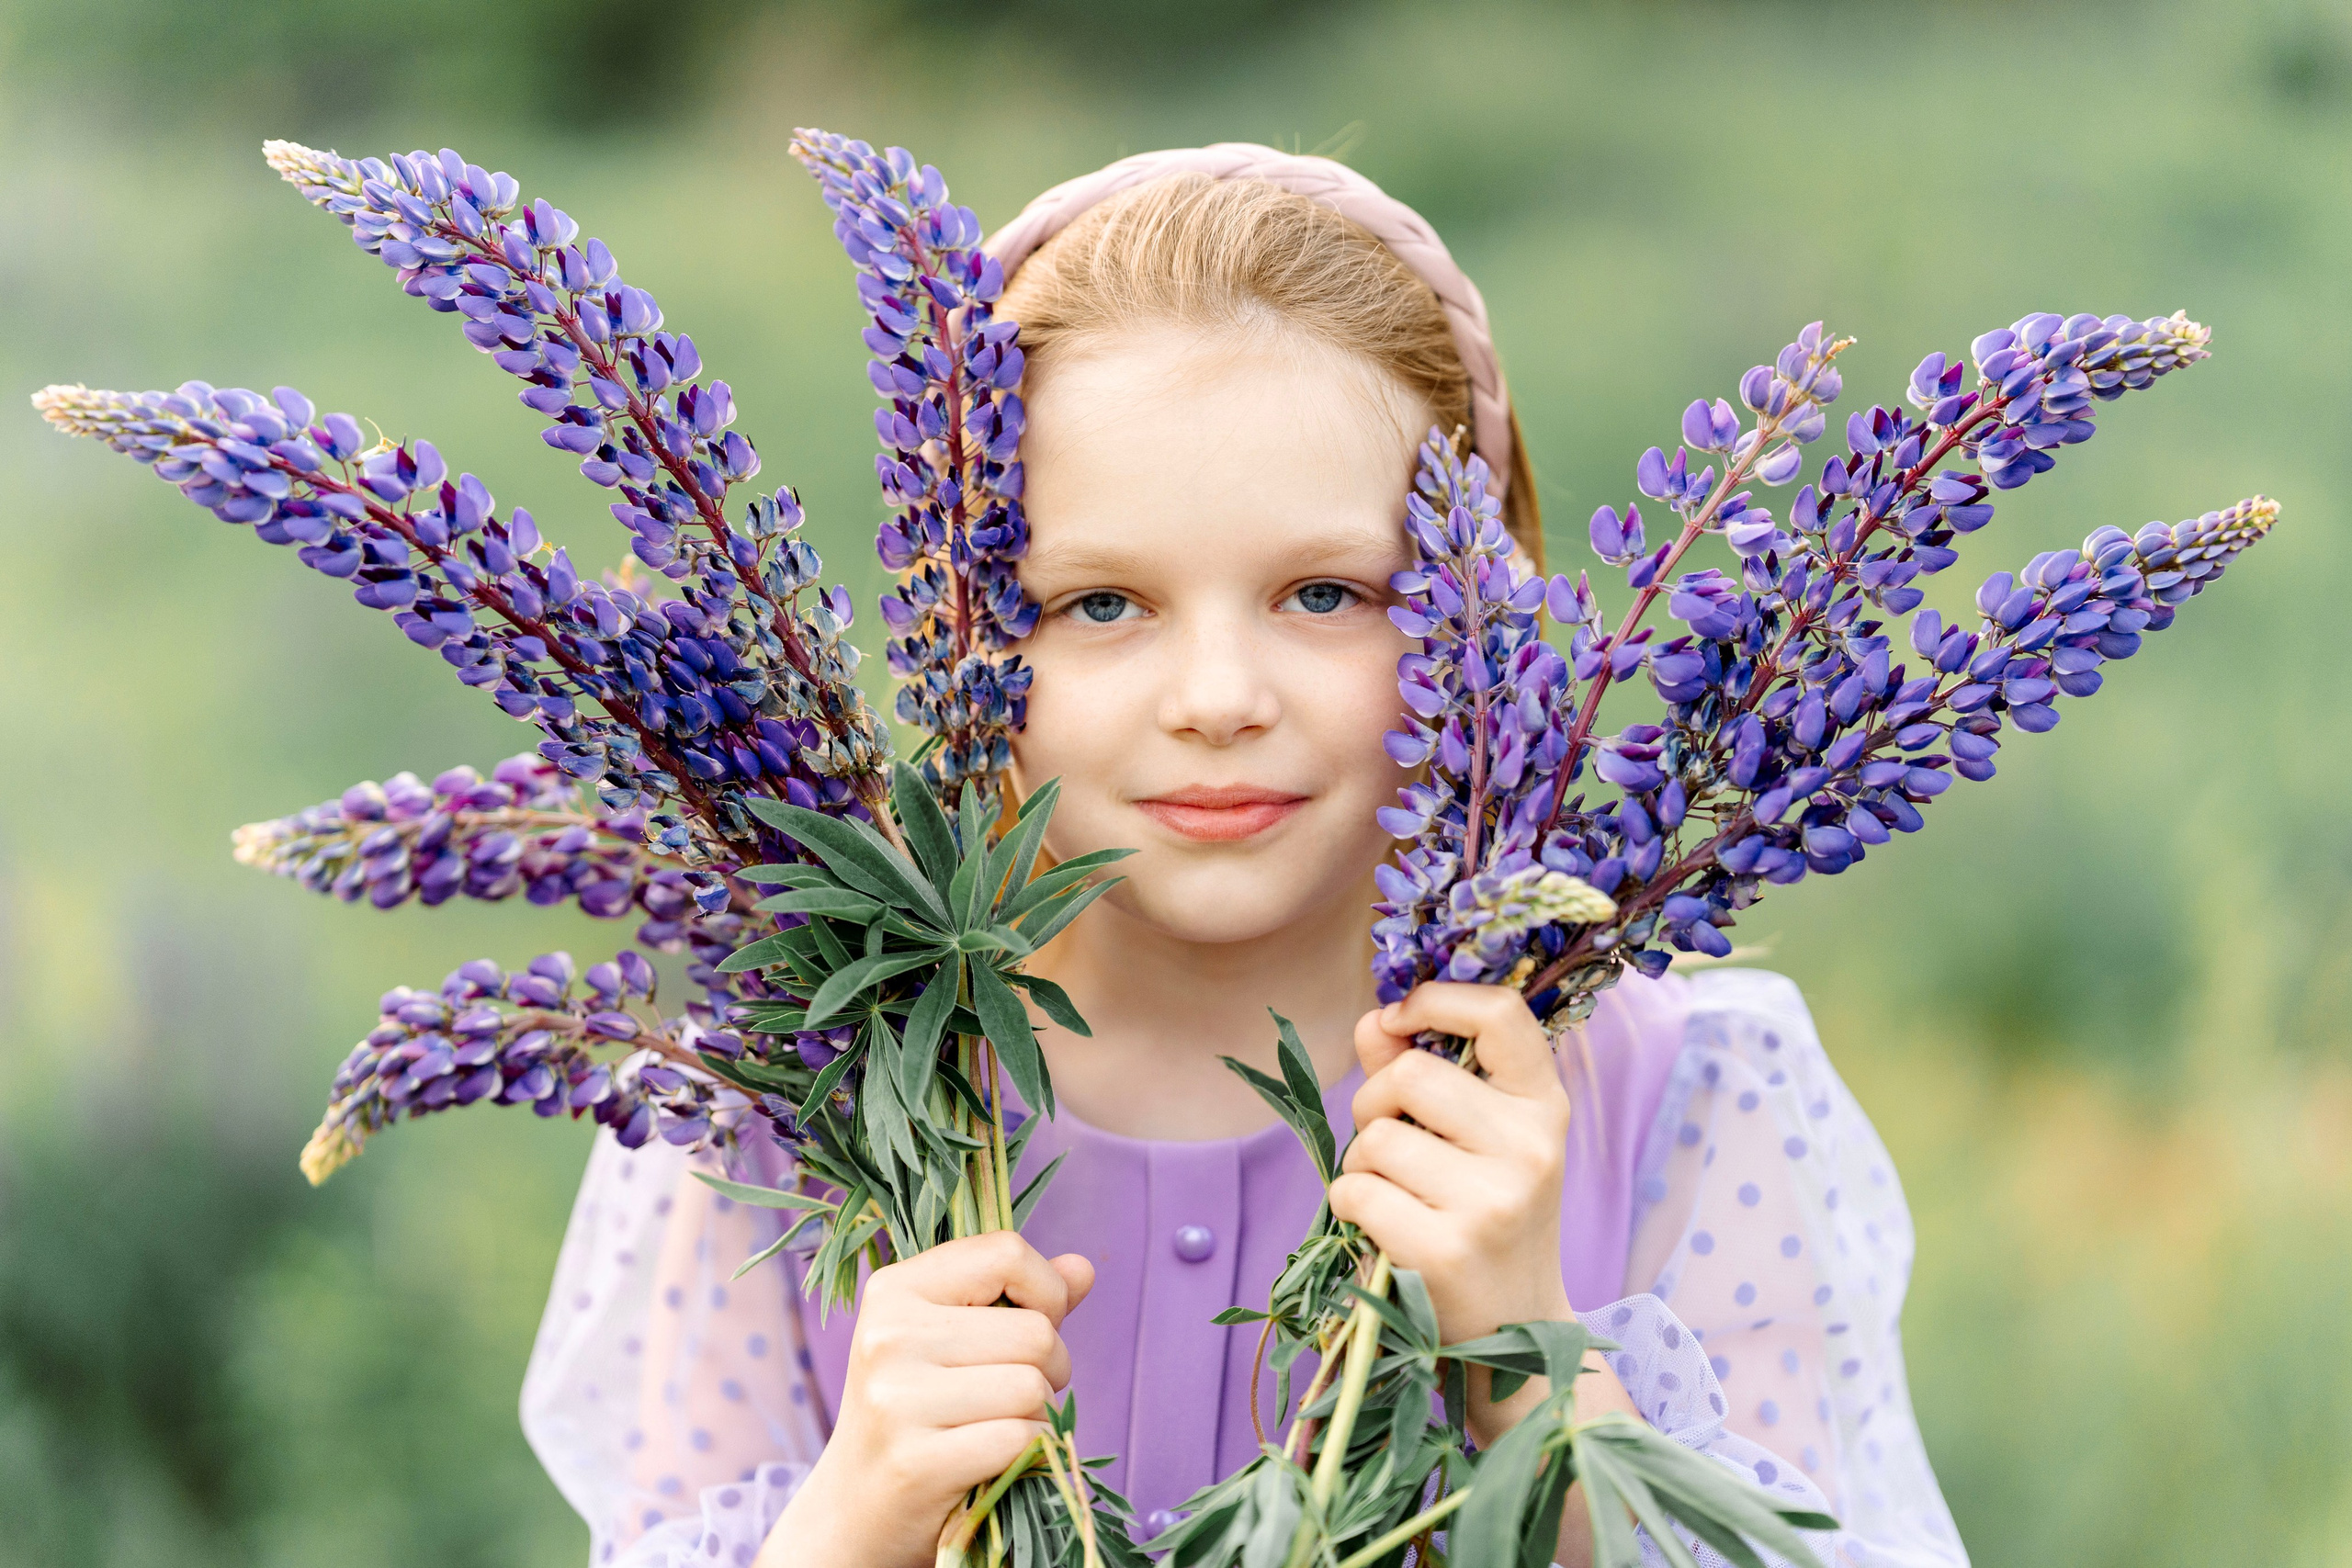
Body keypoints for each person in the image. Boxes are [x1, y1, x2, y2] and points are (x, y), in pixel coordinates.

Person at [519, 147, 1968, 1568]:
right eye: (1098, 604)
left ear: (1485, 623)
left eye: (1325, 591)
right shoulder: (770, 1108)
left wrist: (1534, 1358)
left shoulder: (1677, 1098)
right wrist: (854, 1522)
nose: (1218, 695)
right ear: (959, 631)